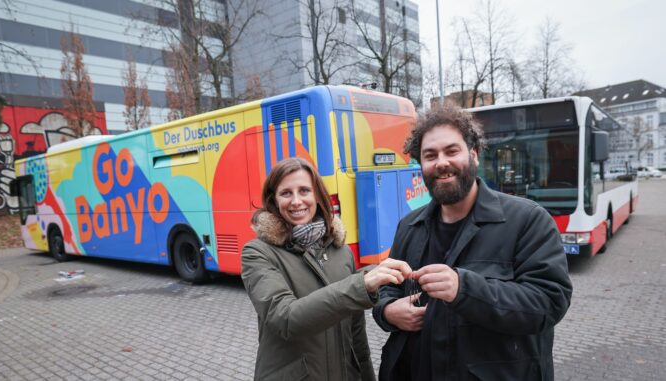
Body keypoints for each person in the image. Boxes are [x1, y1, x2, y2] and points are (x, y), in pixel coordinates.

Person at [373, 104, 573, 380]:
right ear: (421, 166)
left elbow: (549, 302)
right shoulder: (409, 226)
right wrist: (387, 312)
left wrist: (464, 289)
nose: (441, 162)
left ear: (474, 156)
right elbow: (388, 290)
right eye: (430, 155)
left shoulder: (527, 220)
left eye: (451, 151)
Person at [242, 157, 412, 381]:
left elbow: (357, 333)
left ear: (318, 195)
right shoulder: (258, 253)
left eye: (304, 191)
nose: (296, 201)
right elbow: (286, 319)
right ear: (274, 199)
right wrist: (361, 284)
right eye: (286, 193)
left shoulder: (341, 251)